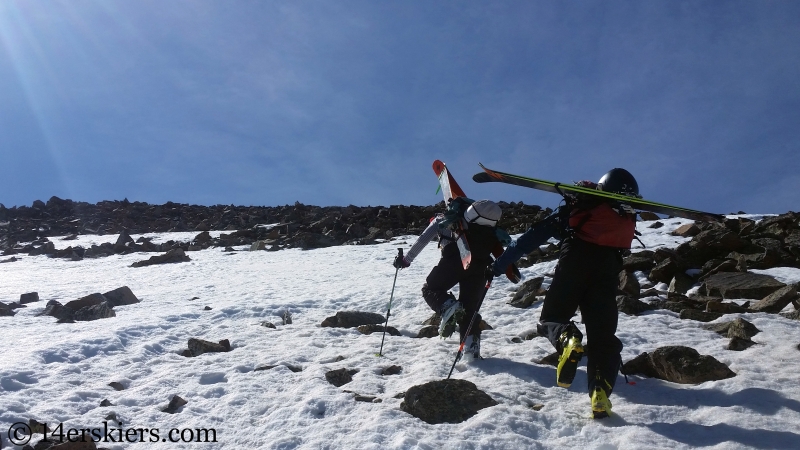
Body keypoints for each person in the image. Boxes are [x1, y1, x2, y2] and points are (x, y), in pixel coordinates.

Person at [491, 168, 639, 419]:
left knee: (552, 318)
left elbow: (532, 237)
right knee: (603, 337)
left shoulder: (582, 205)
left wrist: (501, 263)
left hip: (576, 261)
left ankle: (567, 339)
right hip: (608, 270)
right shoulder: (624, 215)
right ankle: (599, 393)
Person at [393, 198, 510, 360]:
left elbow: (425, 238)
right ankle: (471, 351)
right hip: (482, 267)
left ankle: (449, 307)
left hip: (455, 258)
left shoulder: (447, 218)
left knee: (431, 288)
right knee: (470, 310)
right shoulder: (491, 230)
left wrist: (406, 260)